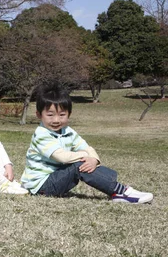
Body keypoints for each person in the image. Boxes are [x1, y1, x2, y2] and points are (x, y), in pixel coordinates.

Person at [21, 82, 153, 203]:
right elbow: (62, 157)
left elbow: (87, 147)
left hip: (55, 178)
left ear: (69, 114)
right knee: (78, 164)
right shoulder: (41, 134)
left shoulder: (68, 131)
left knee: (83, 162)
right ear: (39, 115)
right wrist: (85, 156)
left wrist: (94, 159)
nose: (56, 120)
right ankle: (120, 192)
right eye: (50, 115)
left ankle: (120, 190)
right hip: (41, 187)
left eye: (62, 115)